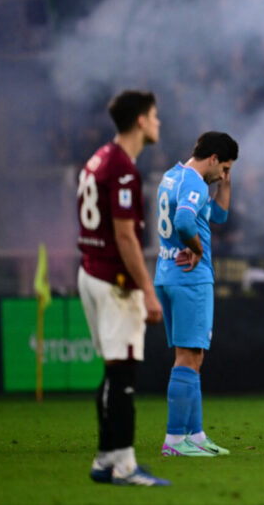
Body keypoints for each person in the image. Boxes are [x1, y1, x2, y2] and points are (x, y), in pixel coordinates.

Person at [76, 90, 170, 487]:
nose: (158, 122)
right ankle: (125, 466)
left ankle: (105, 460)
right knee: (123, 373)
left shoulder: (99, 158)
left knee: (113, 370)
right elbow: (125, 236)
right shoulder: (124, 169)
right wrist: (147, 290)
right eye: (155, 115)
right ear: (140, 122)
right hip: (115, 282)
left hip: (91, 273)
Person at [154, 131, 238, 457]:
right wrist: (197, 249)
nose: (224, 174)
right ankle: (175, 440)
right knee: (187, 358)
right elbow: (185, 221)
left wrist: (225, 185)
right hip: (190, 278)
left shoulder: (172, 176)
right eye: (225, 168)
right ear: (213, 158)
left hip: (167, 275)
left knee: (194, 357)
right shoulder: (194, 183)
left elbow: (216, 216)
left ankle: (196, 435)